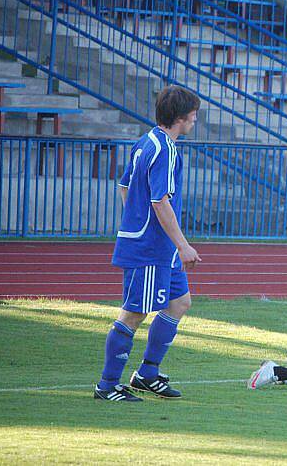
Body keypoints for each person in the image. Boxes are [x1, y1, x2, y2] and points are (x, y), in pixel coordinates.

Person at [94, 86, 202, 402]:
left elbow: (124, 185)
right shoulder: (164, 149)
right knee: (134, 313)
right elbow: (160, 201)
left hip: (160, 247)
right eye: (194, 113)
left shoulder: (148, 141)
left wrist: (136, 220)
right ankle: (107, 385)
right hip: (153, 249)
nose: (196, 118)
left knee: (179, 303)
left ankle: (147, 374)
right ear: (181, 117)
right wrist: (182, 245)